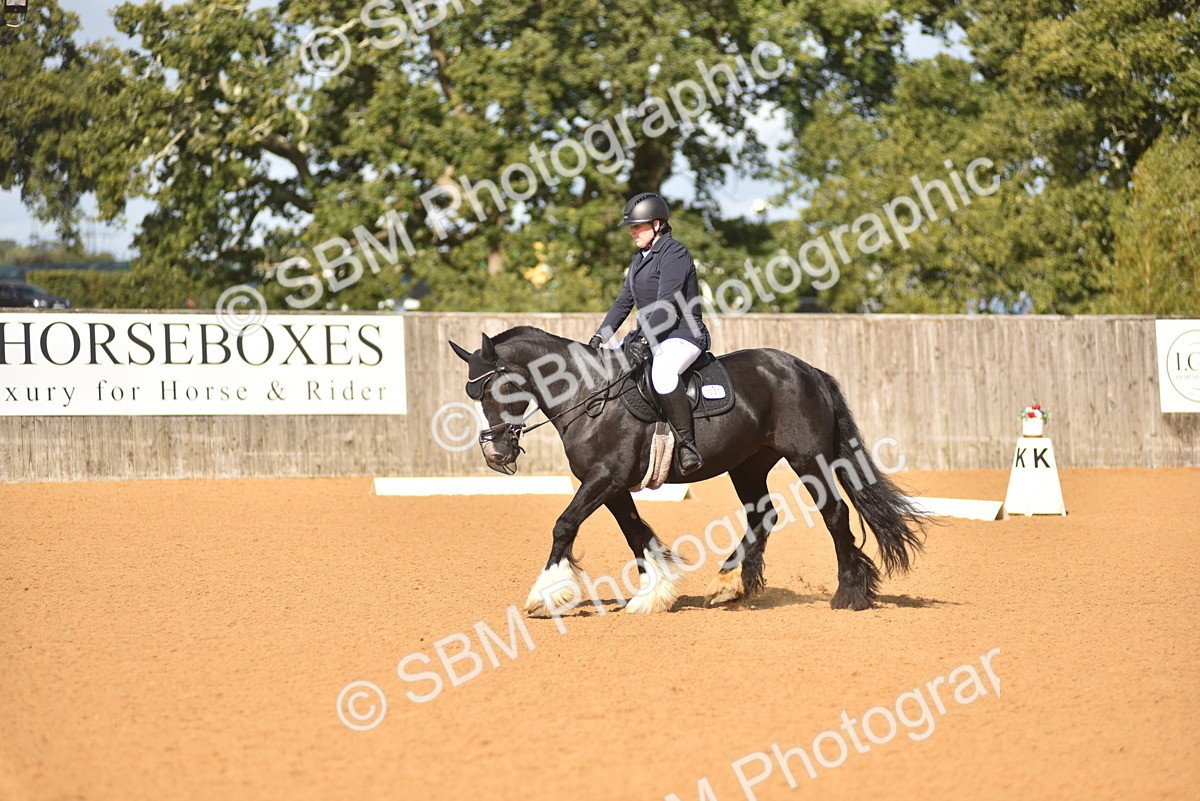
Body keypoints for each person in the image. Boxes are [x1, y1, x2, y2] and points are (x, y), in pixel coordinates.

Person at [588, 192, 711, 474]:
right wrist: (599, 338)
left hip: (682, 334)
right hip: (650, 335)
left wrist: (643, 340)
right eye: (631, 227)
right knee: (608, 369)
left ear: (657, 225)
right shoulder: (638, 261)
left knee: (663, 374)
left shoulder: (674, 253)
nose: (632, 232)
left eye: (637, 226)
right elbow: (623, 303)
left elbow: (667, 306)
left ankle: (688, 445)